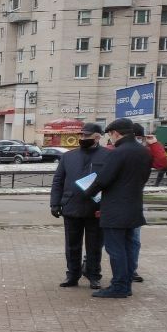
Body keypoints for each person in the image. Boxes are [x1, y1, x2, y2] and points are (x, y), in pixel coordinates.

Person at [84, 118, 151, 298]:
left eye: (110, 135)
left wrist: (87, 192)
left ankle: (119, 286)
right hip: (134, 207)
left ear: (115, 133)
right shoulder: (144, 152)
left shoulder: (118, 153)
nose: (110, 139)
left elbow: (103, 179)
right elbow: (142, 178)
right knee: (128, 247)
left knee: (115, 249)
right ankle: (126, 284)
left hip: (115, 210)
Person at [49, 123, 105, 289]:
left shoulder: (108, 155)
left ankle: (94, 275)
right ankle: (72, 275)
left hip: (96, 208)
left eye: (86, 136)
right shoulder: (69, 156)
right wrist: (55, 203)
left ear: (97, 137)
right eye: (81, 135)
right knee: (72, 245)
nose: (82, 138)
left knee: (94, 246)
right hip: (71, 206)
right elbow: (58, 181)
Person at [130, 123, 167, 282]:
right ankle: (90, 265)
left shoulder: (144, 153)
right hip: (112, 202)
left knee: (133, 240)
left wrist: (154, 144)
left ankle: (131, 270)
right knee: (103, 238)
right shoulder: (114, 150)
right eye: (135, 138)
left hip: (134, 202)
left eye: (140, 138)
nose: (137, 141)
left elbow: (162, 163)